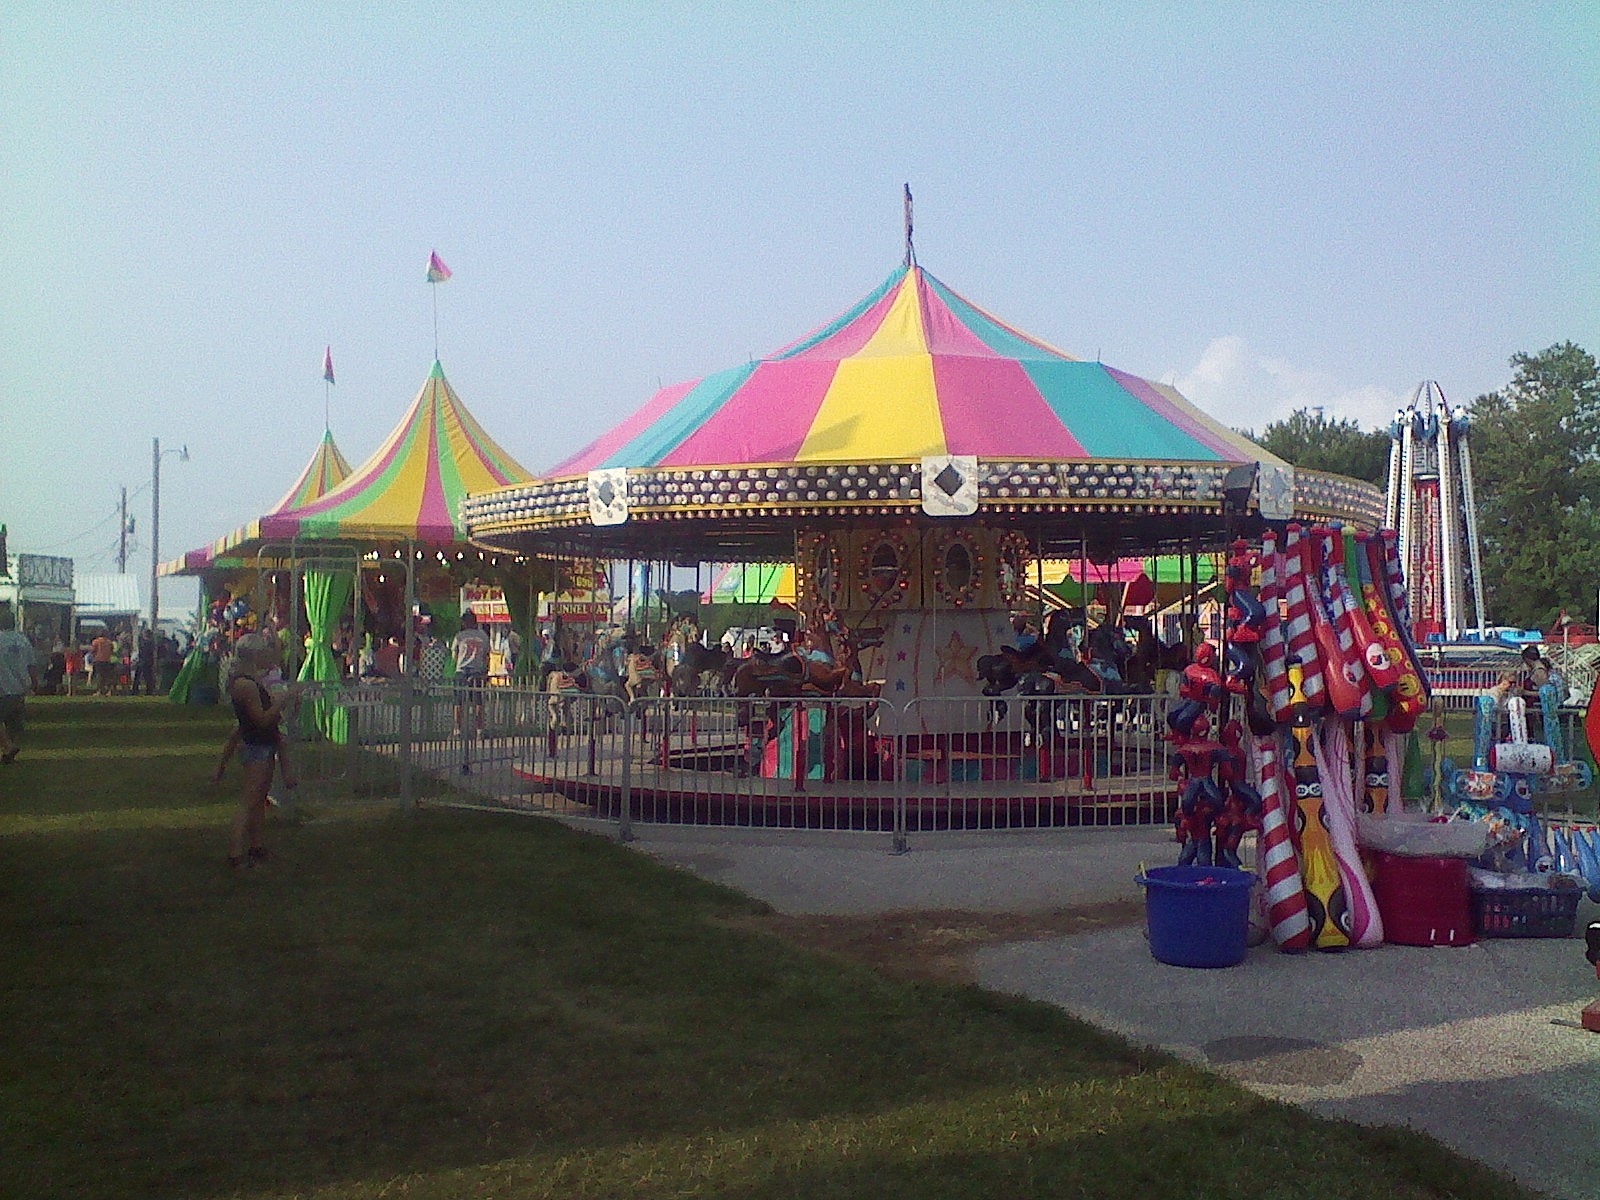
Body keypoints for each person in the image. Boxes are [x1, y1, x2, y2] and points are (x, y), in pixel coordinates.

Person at [215, 632, 302, 869]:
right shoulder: (246, 685)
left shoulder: (248, 681)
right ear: (255, 655)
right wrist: (281, 701)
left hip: (261, 744)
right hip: (257, 746)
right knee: (249, 800)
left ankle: (256, 847)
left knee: (258, 800)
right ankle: (235, 853)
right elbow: (261, 719)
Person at [0, 610, 40, 764]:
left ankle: (8, 748)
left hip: (3, 686)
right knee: (12, 723)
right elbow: (31, 664)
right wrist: (34, 683)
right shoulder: (22, 639)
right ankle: (8, 750)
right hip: (20, 687)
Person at [451, 611, 490, 735]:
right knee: (478, 702)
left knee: (458, 702)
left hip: (461, 670)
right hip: (477, 671)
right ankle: (479, 729)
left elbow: (454, 655)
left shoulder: (460, 636)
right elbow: (486, 655)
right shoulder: (483, 636)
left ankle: (457, 729)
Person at [90, 629, 116, 695]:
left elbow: (93, 651)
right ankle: (109, 691)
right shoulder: (109, 642)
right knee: (107, 677)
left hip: (98, 660)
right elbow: (112, 651)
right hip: (107, 660)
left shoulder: (95, 641)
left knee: (99, 676)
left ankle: (99, 691)